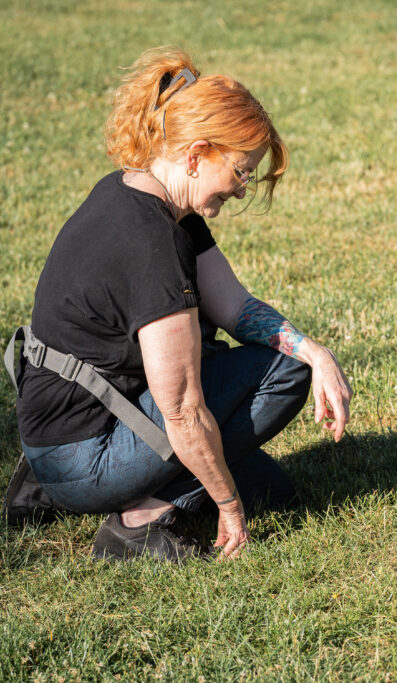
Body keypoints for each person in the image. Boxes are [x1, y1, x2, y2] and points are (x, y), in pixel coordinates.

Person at [1, 47, 351, 562]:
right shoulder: (151, 242)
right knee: (282, 377)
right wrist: (227, 506)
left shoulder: (153, 201)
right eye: (240, 171)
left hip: (66, 429)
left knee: (275, 493)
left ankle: (69, 486)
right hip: (80, 450)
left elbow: (234, 306)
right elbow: (183, 411)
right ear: (197, 154)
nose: (242, 189)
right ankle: (134, 523)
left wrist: (316, 352)